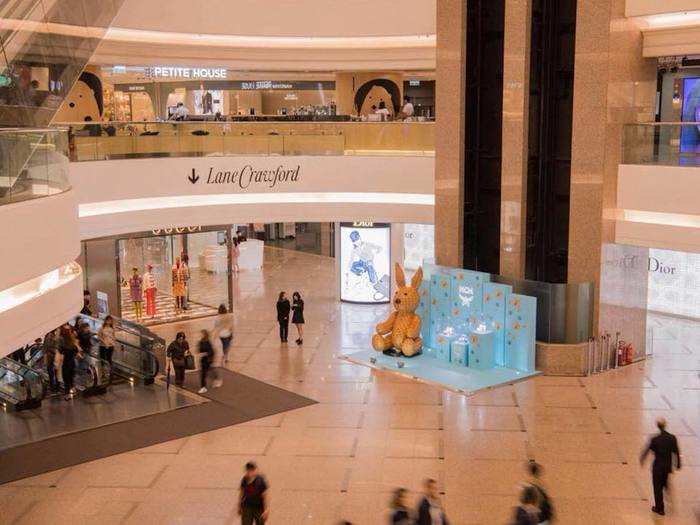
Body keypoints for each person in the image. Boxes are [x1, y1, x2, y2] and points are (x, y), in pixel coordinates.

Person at [640, 417, 682, 516]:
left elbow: (647, 450)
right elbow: (676, 452)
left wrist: (642, 459)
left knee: (657, 488)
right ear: (665, 425)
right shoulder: (672, 438)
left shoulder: (655, 439)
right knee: (664, 482)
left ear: (658, 426)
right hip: (667, 467)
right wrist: (678, 463)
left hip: (657, 467)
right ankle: (666, 488)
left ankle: (660, 508)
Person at [60, 325, 81, 400]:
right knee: (71, 378)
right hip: (72, 362)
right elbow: (77, 351)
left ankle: (68, 394)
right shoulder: (72, 343)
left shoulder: (62, 342)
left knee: (66, 379)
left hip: (66, 363)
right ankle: (73, 391)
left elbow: (61, 354)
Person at [197, 329, 214, 394]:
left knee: (204, 374)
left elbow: (211, 352)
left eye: (202, 334)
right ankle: (203, 386)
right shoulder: (201, 341)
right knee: (204, 373)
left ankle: (203, 387)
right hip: (202, 360)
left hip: (207, 360)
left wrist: (205, 354)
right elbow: (199, 349)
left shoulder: (208, 342)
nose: (200, 335)